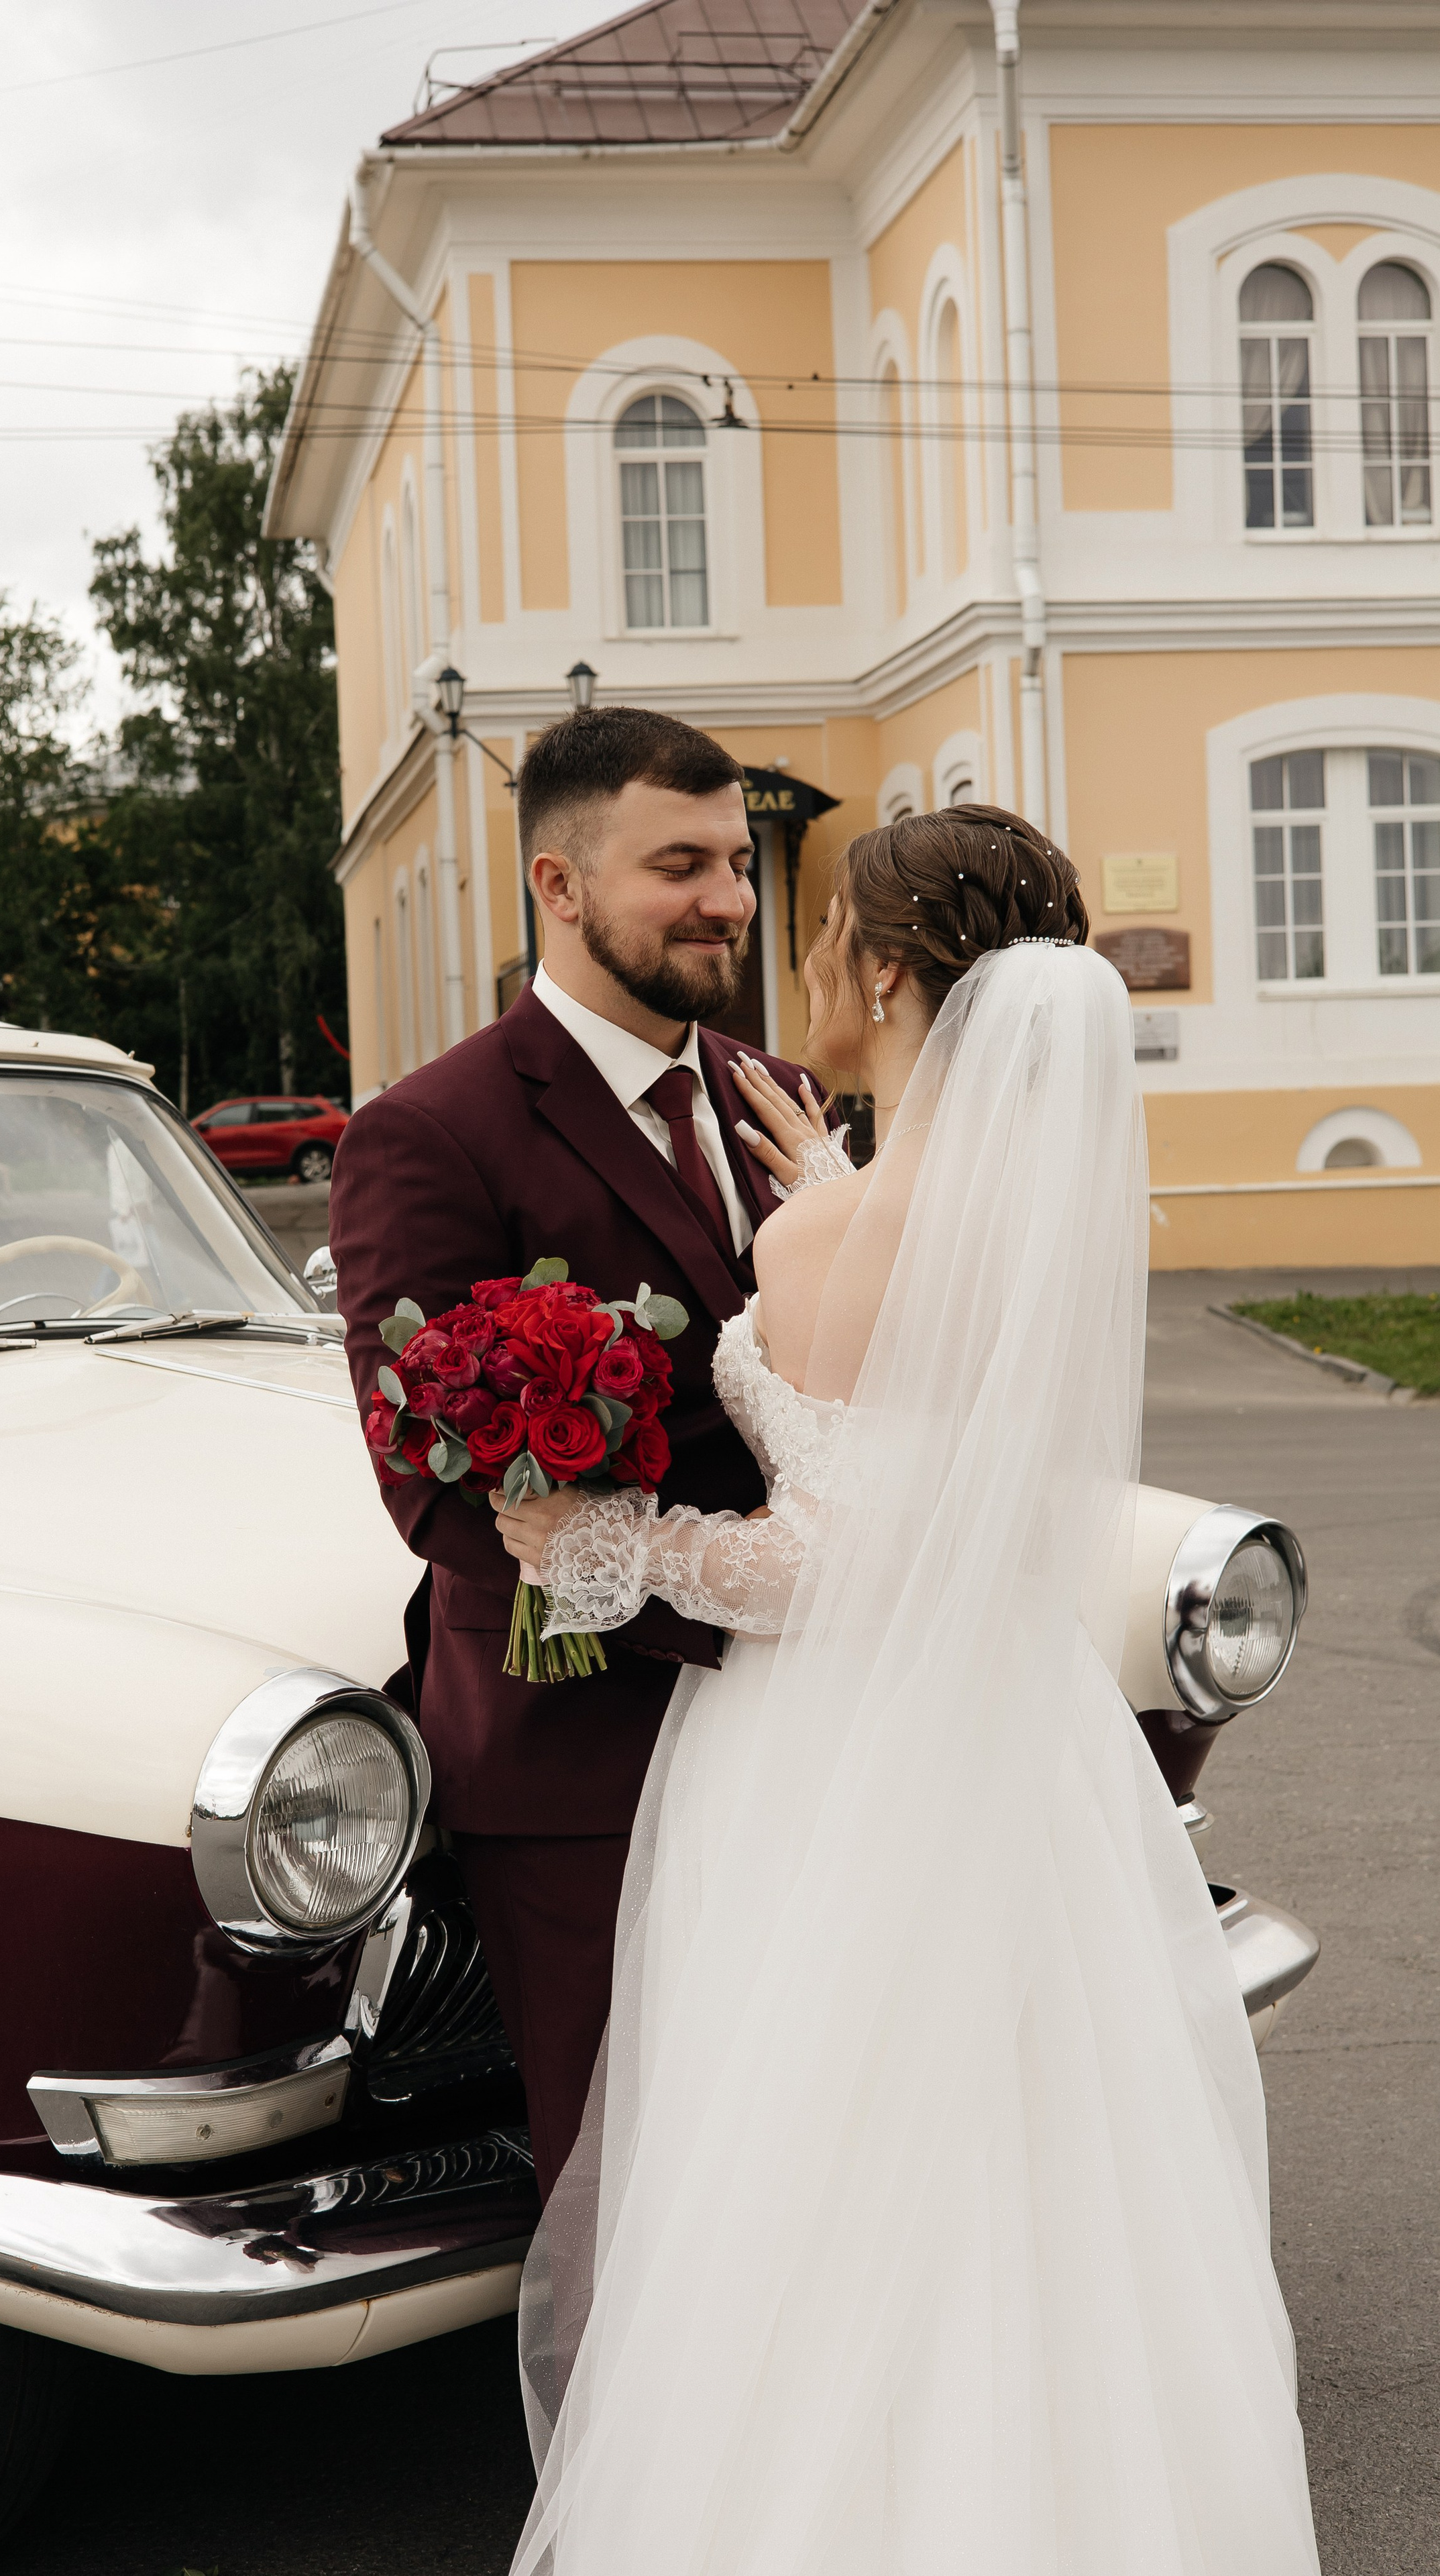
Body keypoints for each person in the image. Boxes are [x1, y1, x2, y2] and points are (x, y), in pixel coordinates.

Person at [493, 806, 1322, 2575]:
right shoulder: (1034, 1210)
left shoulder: (838, 1241)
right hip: (1026, 1748)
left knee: (823, 2189)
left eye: (821, 932)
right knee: (1038, 2181)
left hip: (830, 1760)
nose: (791, 956)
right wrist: (846, 1194)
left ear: (880, 970)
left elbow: (830, 1564)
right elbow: (940, 1433)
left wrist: (596, 1540)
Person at [326, 706, 844, 2201]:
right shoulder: (432, 1134)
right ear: (557, 887)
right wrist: (749, 1597)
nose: (727, 902)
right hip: (582, 1759)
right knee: (629, 2179)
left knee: (799, 2151)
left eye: (736, 863)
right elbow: (435, 1485)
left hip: (808, 1731)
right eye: (677, 863)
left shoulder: (782, 1104)